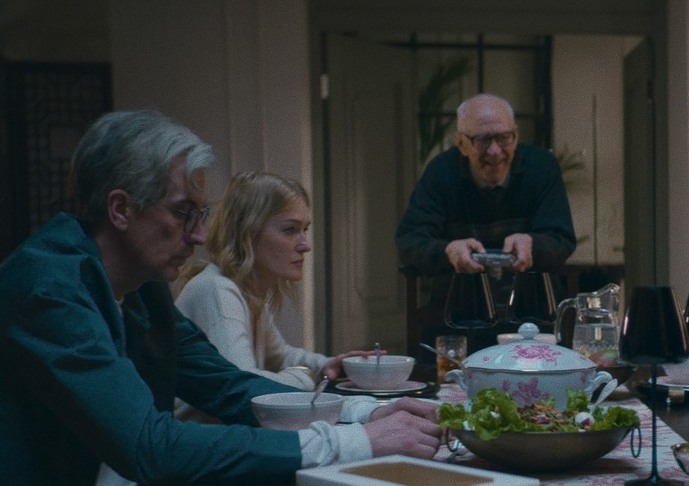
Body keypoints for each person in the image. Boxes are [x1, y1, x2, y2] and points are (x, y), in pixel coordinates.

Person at [0, 110, 442, 485]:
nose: (198, 235)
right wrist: (356, 440)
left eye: (201, 214)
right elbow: (151, 446)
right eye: (183, 212)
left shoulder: (142, 287)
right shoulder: (48, 288)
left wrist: (362, 413)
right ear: (121, 209)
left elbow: (229, 386)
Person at [173, 171, 376, 421]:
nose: (305, 245)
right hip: (198, 439)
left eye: (304, 229)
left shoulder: (248, 288)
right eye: (290, 230)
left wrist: (326, 364)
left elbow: (279, 355)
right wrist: (306, 376)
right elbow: (245, 386)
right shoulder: (217, 290)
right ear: (248, 232)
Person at [395, 93, 576, 354]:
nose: (494, 151)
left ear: (516, 136)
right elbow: (409, 241)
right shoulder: (440, 172)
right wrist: (448, 251)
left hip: (530, 314)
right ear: (461, 143)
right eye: (482, 140)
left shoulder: (541, 167)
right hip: (458, 314)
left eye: (504, 138)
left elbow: (562, 238)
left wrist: (532, 244)